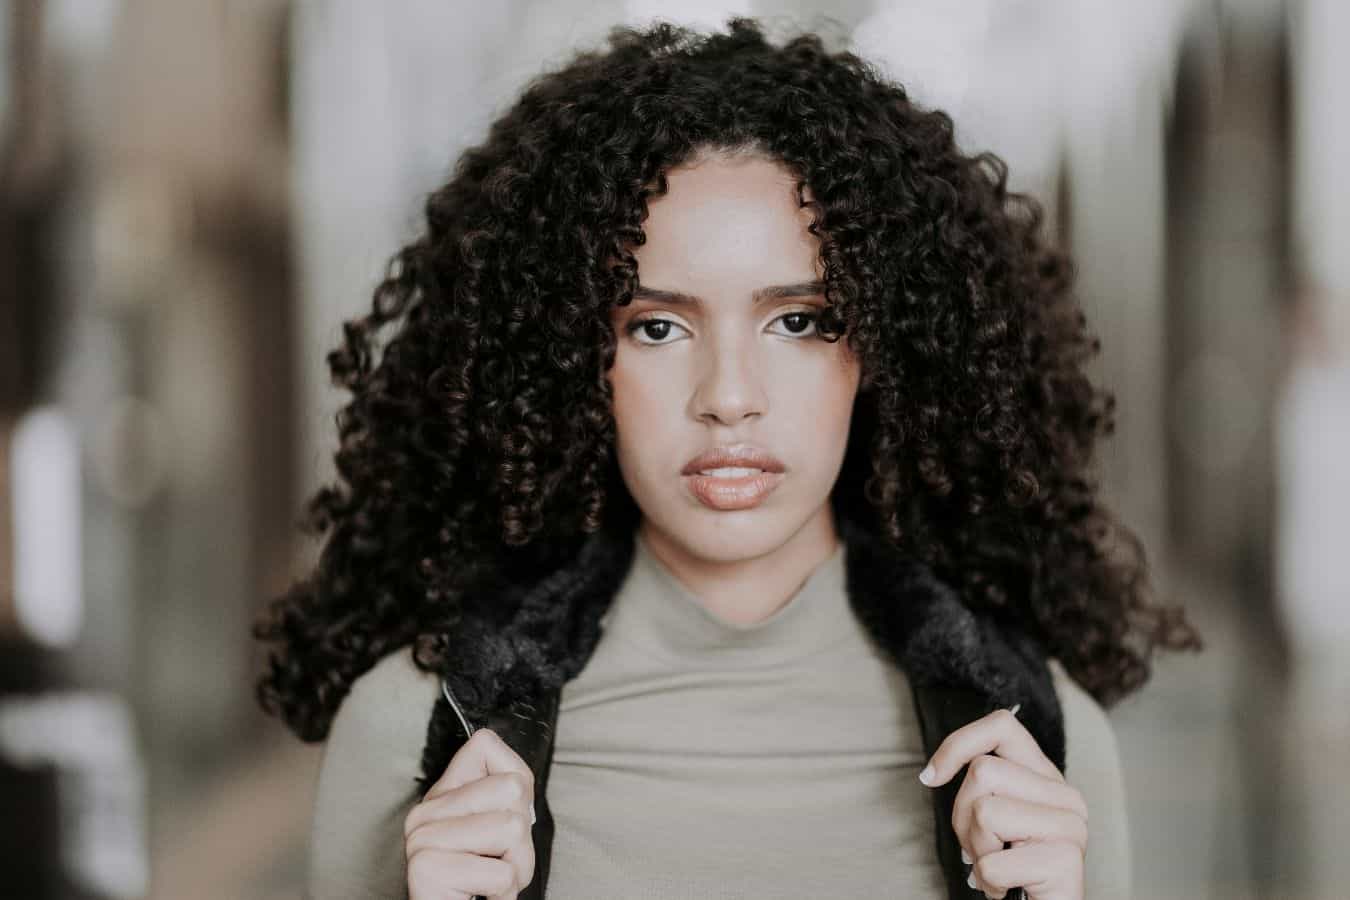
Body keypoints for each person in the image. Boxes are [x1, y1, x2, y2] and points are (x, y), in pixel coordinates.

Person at [253, 16, 1201, 900]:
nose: (729, 395)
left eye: (799, 321)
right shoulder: (416, 736)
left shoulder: (1042, 743)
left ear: (882, 349)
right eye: (657, 326)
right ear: (572, 357)